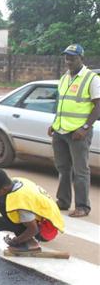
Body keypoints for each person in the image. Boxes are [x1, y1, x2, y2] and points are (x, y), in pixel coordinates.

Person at [48, 44, 100, 217]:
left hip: (78, 133)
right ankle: (63, 201)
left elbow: (98, 106)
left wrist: (85, 128)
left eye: (72, 57)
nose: (68, 61)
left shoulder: (91, 78)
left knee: (81, 171)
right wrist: (54, 124)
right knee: (63, 168)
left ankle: (83, 206)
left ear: (81, 58)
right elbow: (62, 104)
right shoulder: (64, 78)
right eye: (66, 57)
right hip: (60, 130)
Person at [0, 168, 64, 253]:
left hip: (46, 231)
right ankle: (25, 237)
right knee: (0, 209)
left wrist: (16, 241)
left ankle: (32, 244)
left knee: (0, 215)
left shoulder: (20, 202)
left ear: (3, 189)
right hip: (48, 222)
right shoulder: (15, 182)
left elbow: (33, 229)